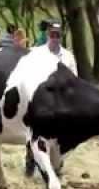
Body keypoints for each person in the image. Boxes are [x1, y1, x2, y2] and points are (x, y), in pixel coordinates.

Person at [25, 20, 78, 177]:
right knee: (33, 134)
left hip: (60, 103)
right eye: (52, 34)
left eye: (58, 35)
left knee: (59, 137)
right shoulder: (35, 53)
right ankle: (30, 161)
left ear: (61, 36)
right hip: (38, 101)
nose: (55, 37)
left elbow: (75, 80)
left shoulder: (68, 57)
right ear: (48, 34)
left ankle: (56, 166)